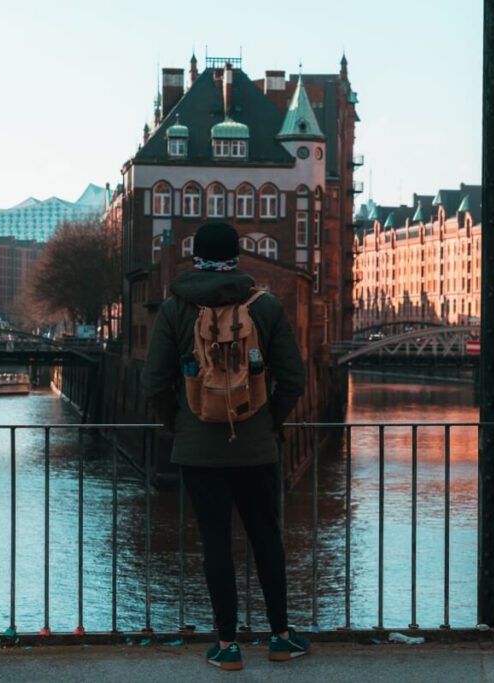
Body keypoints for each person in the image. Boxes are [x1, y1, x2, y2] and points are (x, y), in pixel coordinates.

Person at [143, 221, 310, 671]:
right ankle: (279, 637)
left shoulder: (177, 308)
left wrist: (177, 424)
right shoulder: (265, 305)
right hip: (256, 446)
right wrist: (270, 421)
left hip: (198, 447)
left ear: (195, 256)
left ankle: (227, 644)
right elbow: (294, 376)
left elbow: (154, 380)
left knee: (215, 541)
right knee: (266, 537)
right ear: (237, 256)